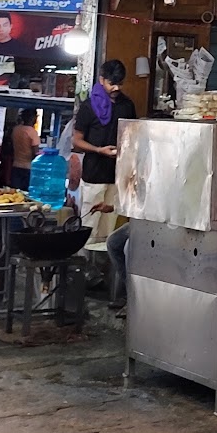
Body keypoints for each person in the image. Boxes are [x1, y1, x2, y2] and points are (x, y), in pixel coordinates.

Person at [73, 62, 136, 305]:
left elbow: (133, 135)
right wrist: (99, 150)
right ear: (101, 80)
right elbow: (77, 140)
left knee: (112, 230)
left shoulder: (127, 105)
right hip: (94, 175)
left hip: (119, 176)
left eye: (120, 83)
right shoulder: (89, 107)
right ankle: (84, 277)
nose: (116, 88)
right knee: (89, 228)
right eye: (112, 83)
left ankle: (110, 282)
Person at [8, 108, 40, 191]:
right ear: (33, 118)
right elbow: (35, 152)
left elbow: (11, 148)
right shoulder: (32, 132)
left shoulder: (16, 129)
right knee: (26, 193)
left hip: (15, 166)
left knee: (15, 192)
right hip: (28, 168)